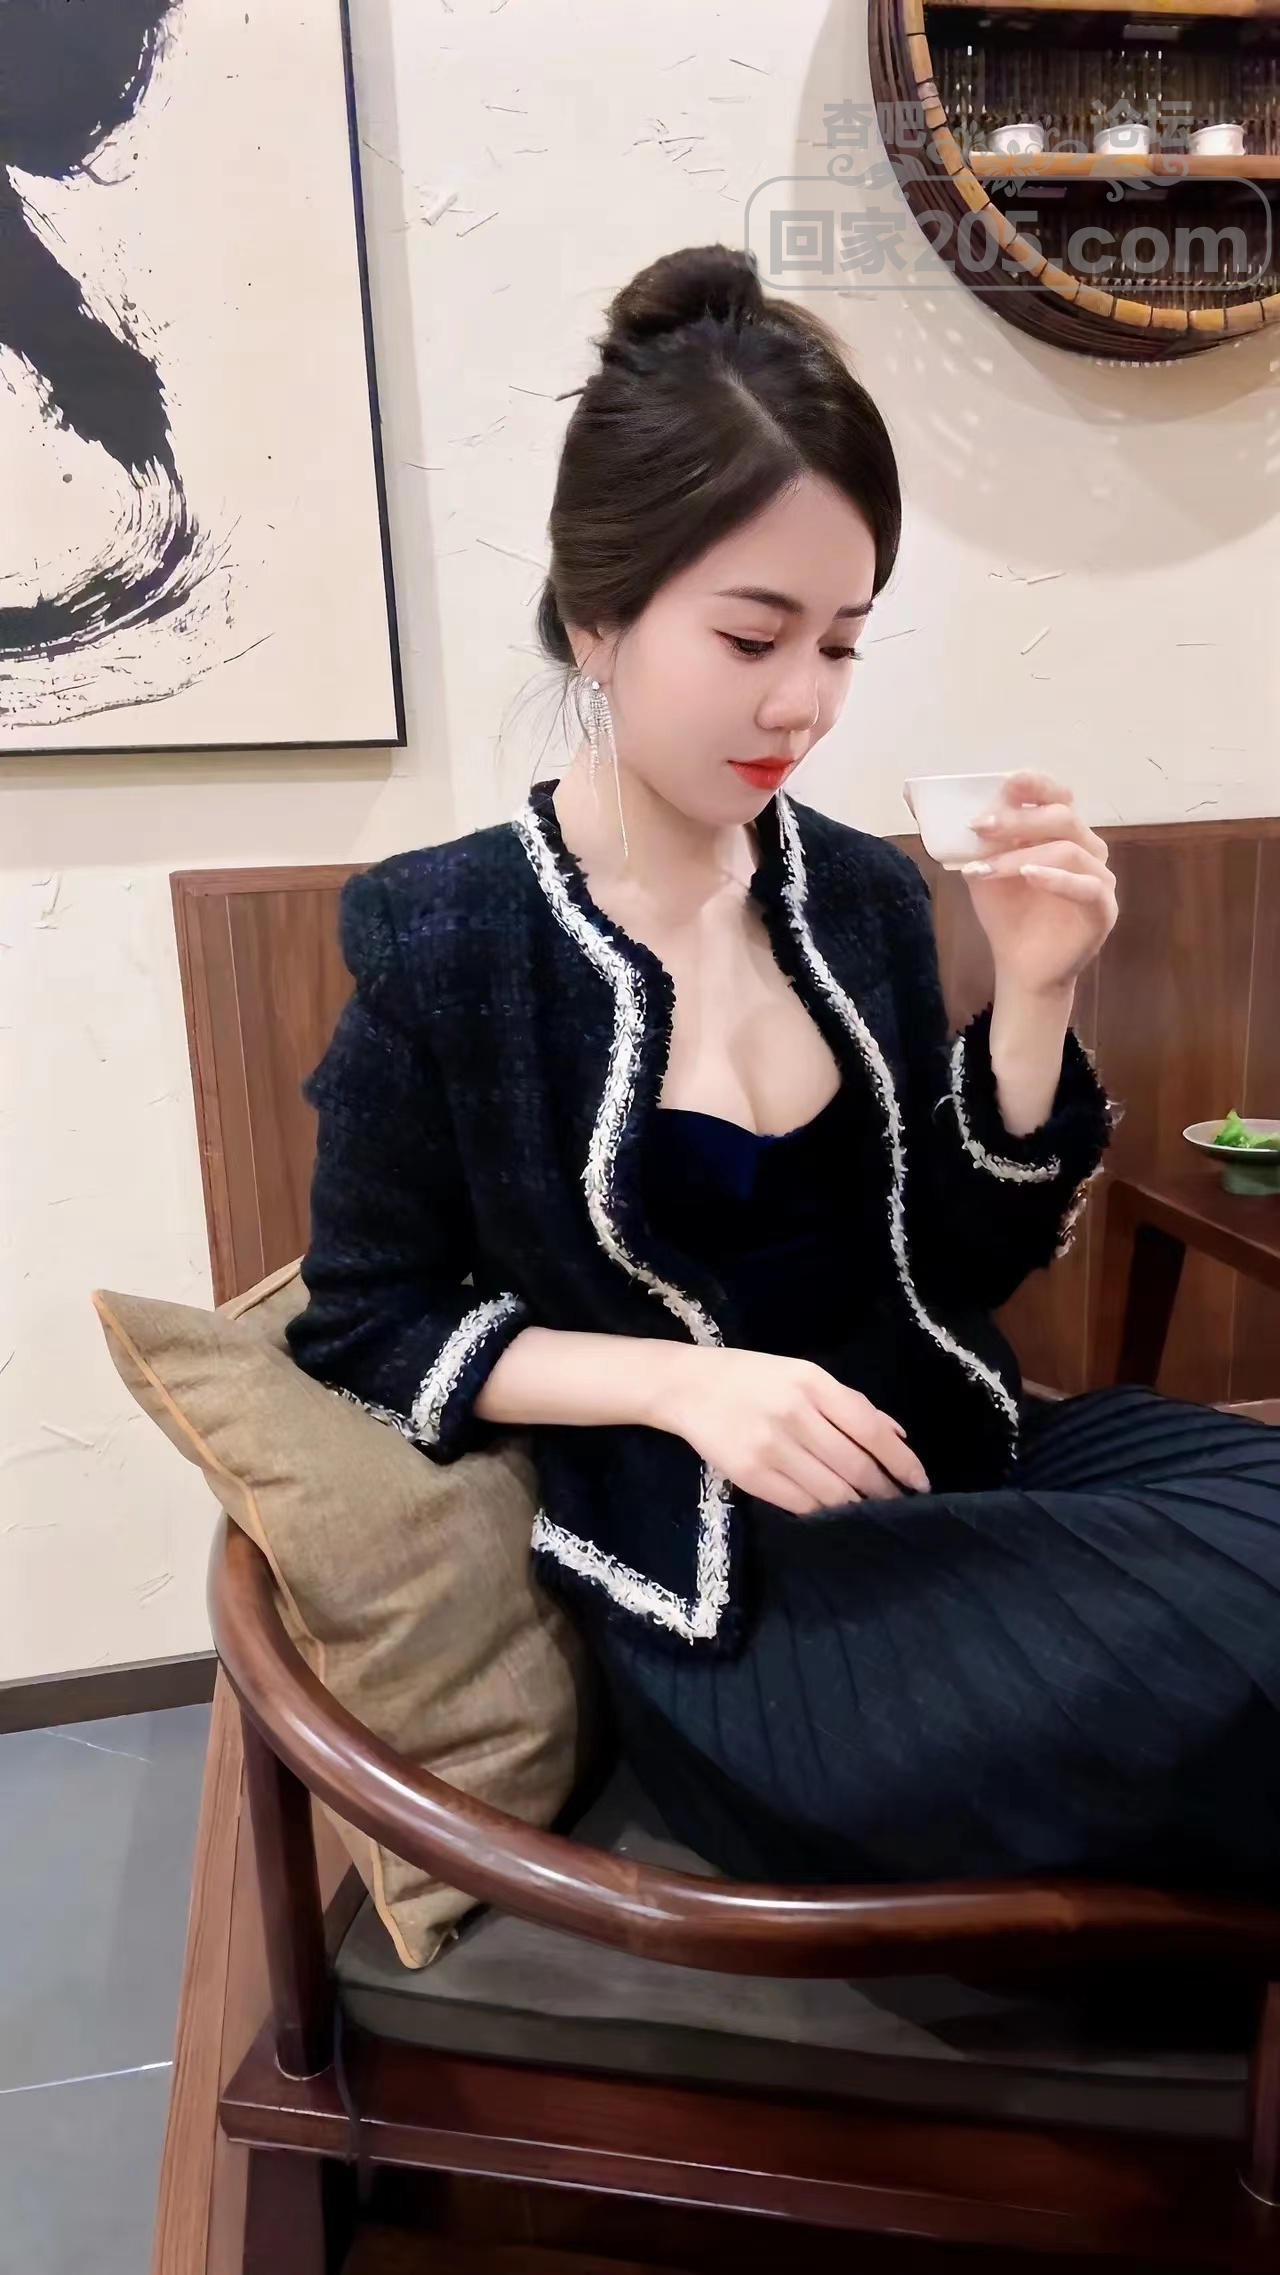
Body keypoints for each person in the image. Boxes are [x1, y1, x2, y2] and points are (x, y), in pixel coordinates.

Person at [286, 243, 1280, 1897]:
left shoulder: (863, 896)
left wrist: (1034, 997)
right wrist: (682, 1385)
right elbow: (364, 1320)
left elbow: (963, 1267)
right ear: (599, 619)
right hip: (747, 1601)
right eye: (752, 637)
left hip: (971, 1470)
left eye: (843, 645)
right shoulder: (451, 938)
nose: (802, 704)